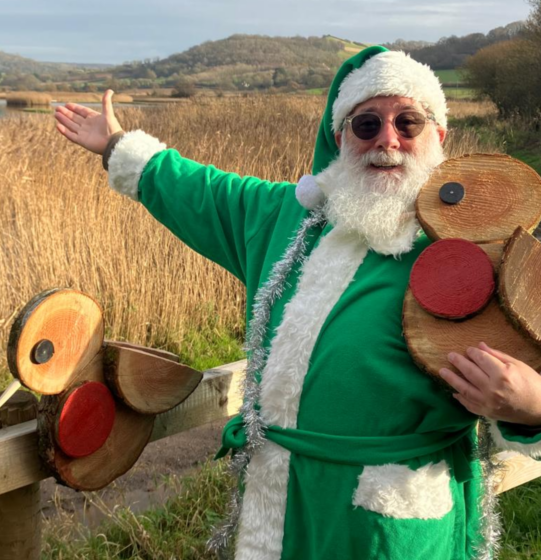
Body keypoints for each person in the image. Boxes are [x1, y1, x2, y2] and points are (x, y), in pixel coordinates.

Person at [54, 46, 541, 560]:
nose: (387, 141)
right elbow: (201, 191)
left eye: (409, 122)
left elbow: (520, 366)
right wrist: (115, 145)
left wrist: (533, 405)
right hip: (277, 503)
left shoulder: (477, 253)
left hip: (390, 526)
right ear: (340, 138)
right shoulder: (286, 220)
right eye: (367, 124)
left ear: (438, 135)